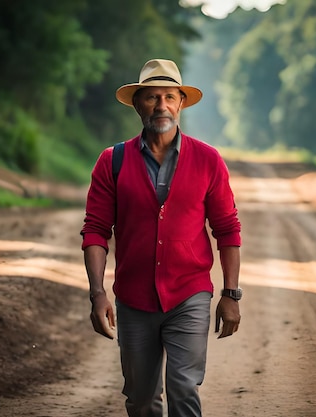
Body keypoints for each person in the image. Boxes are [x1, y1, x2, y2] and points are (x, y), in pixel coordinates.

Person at [80, 58, 242, 417]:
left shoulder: (208, 160)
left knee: (183, 387)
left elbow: (227, 229)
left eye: (169, 97)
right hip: (135, 298)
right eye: (152, 98)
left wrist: (231, 294)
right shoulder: (112, 161)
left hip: (190, 294)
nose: (162, 105)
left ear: (181, 103)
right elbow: (95, 230)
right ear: (138, 104)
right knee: (140, 398)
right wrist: (97, 293)